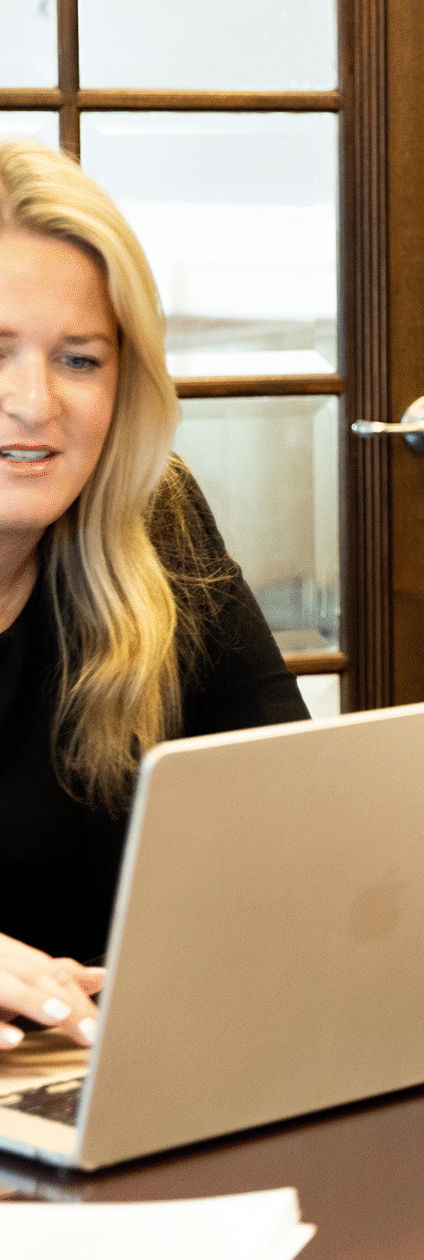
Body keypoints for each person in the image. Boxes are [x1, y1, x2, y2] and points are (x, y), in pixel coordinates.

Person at [0, 141, 303, 1045]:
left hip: (120, 1071)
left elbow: (287, 810)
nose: (35, 403)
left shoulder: (153, 522)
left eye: (80, 359)